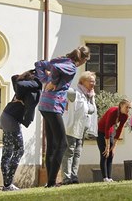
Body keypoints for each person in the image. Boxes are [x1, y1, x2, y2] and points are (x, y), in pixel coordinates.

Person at [36, 45, 91, 188]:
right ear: (83, 59)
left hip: (44, 104)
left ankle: (49, 182)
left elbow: (40, 64)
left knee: (52, 145)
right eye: (85, 61)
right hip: (53, 105)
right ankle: (52, 182)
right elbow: (55, 70)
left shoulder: (60, 60)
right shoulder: (71, 66)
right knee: (63, 144)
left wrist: (46, 80)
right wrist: (53, 82)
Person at [0, 70, 42, 191]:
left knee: (7, 152)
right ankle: (8, 183)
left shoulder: (21, 90)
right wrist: (36, 81)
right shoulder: (27, 89)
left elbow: (14, 77)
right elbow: (16, 79)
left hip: (5, 115)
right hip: (11, 118)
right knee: (19, 150)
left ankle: (7, 185)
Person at [61, 71, 98, 185]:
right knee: (70, 152)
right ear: (82, 81)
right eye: (90, 81)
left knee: (77, 153)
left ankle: (74, 176)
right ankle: (66, 178)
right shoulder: (75, 93)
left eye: (94, 81)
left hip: (82, 130)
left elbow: (91, 111)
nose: (93, 83)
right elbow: (62, 90)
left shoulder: (90, 95)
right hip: (72, 128)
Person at [97, 99, 131, 182]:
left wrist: (114, 146)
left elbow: (119, 129)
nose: (128, 110)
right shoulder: (113, 112)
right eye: (127, 107)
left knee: (111, 154)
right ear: (121, 106)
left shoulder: (125, 116)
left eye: (129, 108)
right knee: (105, 153)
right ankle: (105, 178)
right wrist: (107, 147)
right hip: (101, 131)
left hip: (111, 132)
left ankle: (110, 177)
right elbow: (107, 128)